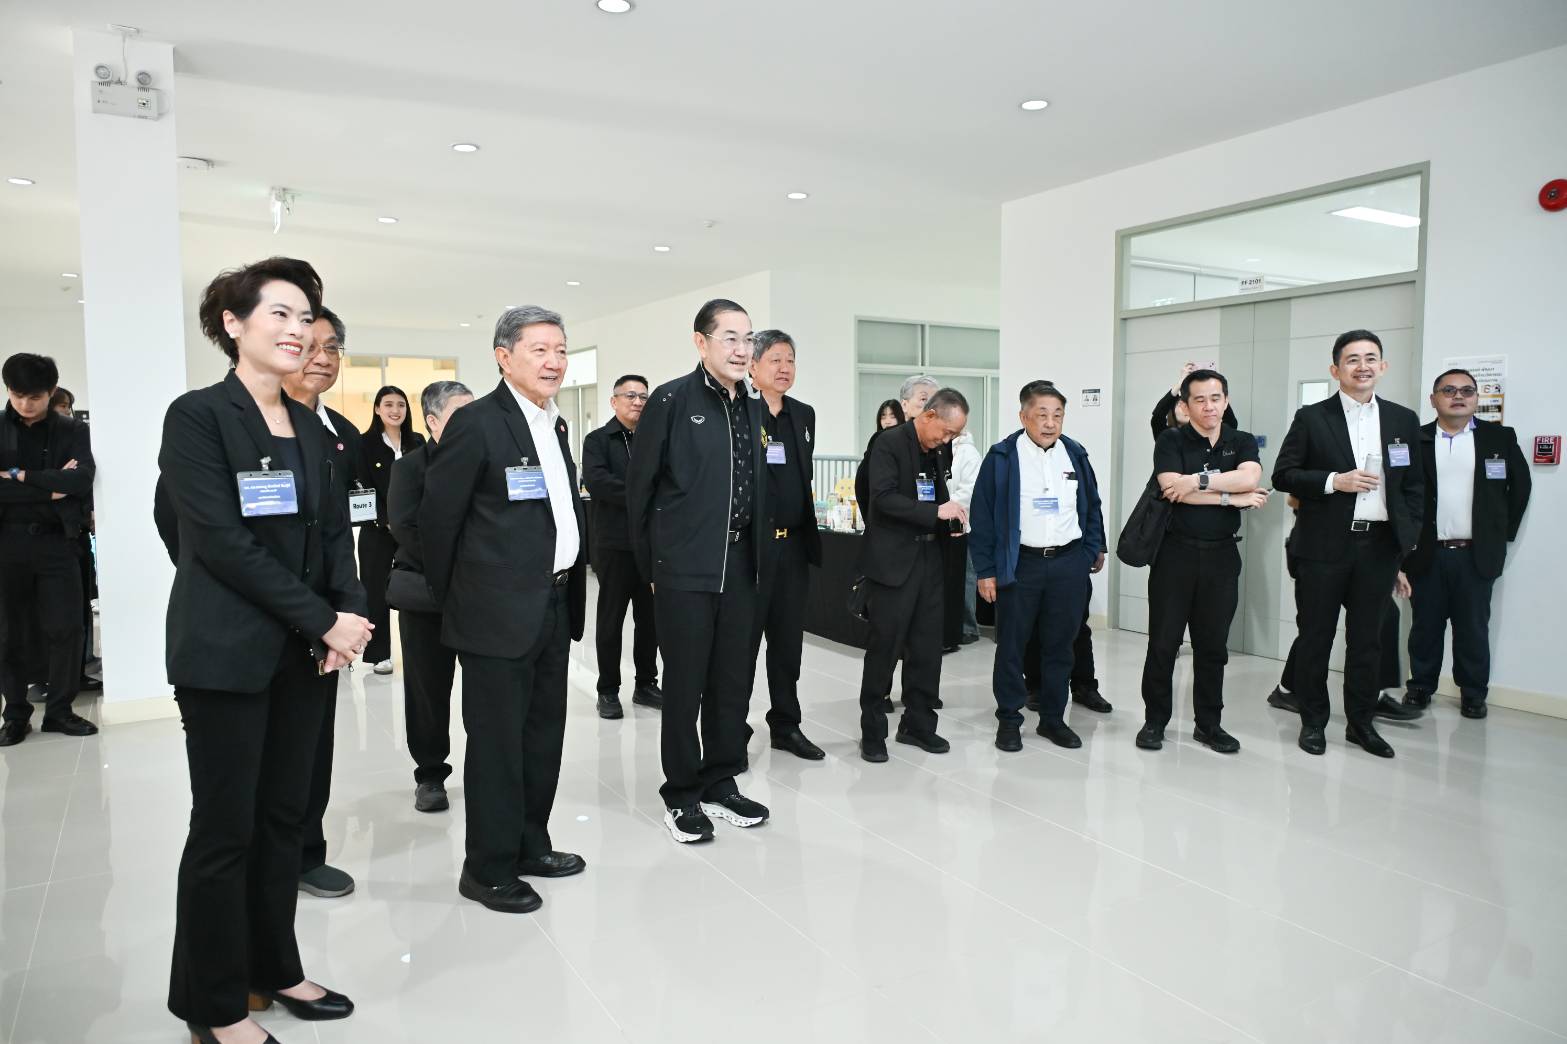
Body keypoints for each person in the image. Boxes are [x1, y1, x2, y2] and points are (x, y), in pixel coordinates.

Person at [160, 257, 371, 1043]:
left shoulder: (312, 425)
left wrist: (350, 612)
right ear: (233, 324)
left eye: (305, 316)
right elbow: (218, 542)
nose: (297, 329)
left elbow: (336, 535)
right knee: (226, 832)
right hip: (226, 655)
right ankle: (213, 1006)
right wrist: (323, 619)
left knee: (285, 821)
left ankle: (274, 967)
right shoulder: (198, 416)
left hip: (303, 656)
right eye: (278, 313)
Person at [420, 305, 587, 912]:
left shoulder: (553, 423)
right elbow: (437, 524)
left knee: (542, 737)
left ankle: (529, 845)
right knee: (496, 746)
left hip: (553, 602)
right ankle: (487, 868)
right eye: (540, 349)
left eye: (561, 350)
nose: (554, 361)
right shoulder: (477, 423)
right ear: (503, 357)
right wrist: (464, 602)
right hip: (494, 615)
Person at [626, 298, 772, 843]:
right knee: (685, 684)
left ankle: (720, 781)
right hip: (684, 567)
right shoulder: (671, 400)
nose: (742, 349)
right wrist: (653, 567)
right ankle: (682, 793)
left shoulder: (751, 404)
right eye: (730, 337)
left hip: (740, 564)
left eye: (748, 338)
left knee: (731, 681)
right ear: (701, 342)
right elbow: (641, 491)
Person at [1273, 329, 1423, 758]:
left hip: (1378, 548)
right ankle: (1313, 722)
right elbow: (1283, 474)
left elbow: (1413, 486)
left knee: (1368, 642)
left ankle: (1361, 724)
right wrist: (1333, 481)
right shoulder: (1312, 417)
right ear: (1335, 369)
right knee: (1316, 638)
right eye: (1352, 359)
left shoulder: (1402, 420)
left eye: (1371, 358)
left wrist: (1403, 546)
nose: (1363, 366)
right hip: (1323, 547)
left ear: (1383, 366)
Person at [1135, 369, 1267, 754]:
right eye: (1200, 399)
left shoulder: (1241, 440)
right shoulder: (1171, 440)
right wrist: (1232, 498)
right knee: (1163, 644)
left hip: (1222, 556)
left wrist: (1198, 482)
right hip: (1174, 556)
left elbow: (1250, 478)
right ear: (1186, 405)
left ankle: (1209, 725)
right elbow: (1172, 491)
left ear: (1226, 401)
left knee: (1213, 648)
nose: (1209, 406)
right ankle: (1155, 721)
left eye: (1215, 398)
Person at [971, 381, 1106, 752]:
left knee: (1061, 646)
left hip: (1068, 564)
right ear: (1023, 416)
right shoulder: (1002, 457)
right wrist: (986, 570)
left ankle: (1052, 719)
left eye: (1057, 415)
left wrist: (1091, 549)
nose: (1050, 423)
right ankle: (1009, 720)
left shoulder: (1074, 453)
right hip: (1022, 565)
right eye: (1042, 414)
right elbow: (982, 517)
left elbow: (1091, 504)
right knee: (1012, 646)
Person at [279, 307, 363, 899]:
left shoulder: (341, 435)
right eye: (310, 345)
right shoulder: (227, 423)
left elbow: (340, 531)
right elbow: (180, 525)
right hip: (258, 615)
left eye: (332, 347)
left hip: (323, 623)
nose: (322, 358)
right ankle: (267, 862)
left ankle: (306, 852)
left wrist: (348, 614)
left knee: (313, 745)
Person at [1399, 368, 1532, 719]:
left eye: (1466, 391)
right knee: (1425, 627)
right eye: (1448, 390)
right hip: (1426, 554)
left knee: (1472, 629)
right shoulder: (1416, 439)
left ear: (1476, 398)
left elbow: (1520, 488)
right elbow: (1400, 493)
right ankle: (1420, 687)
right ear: (1433, 399)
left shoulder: (1498, 438)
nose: (1458, 396)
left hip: (1475, 555)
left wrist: (1501, 533)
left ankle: (1473, 694)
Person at [854, 387, 970, 762]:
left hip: (930, 559)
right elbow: (882, 498)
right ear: (930, 415)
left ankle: (918, 725)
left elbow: (935, 496)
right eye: (947, 432)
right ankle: (873, 732)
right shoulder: (888, 443)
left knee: (926, 649)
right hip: (893, 562)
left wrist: (949, 518)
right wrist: (935, 513)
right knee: (884, 649)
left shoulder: (935, 450)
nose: (947, 440)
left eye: (954, 435)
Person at [0, 354, 98, 744]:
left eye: (35, 397)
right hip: (6, 543)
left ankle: (59, 711)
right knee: (9, 631)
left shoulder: (72, 430)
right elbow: (60, 485)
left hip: (58, 541)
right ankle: (15, 714)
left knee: (66, 628)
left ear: (52, 391)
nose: (26, 404)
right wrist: (49, 487)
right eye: (18, 395)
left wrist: (19, 478)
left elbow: (81, 480)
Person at [387, 380, 473, 812]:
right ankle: (430, 774)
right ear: (433, 421)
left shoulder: (484, 462)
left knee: (486, 689)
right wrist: (460, 567)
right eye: (461, 413)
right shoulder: (410, 469)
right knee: (427, 690)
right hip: (428, 596)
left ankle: (486, 770)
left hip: (480, 597)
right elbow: (406, 528)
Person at [748, 330, 826, 761]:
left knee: (788, 644)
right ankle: (732, 728)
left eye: (790, 360)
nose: (784, 368)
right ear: (753, 366)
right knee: (742, 644)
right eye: (775, 359)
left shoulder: (804, 414)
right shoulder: (741, 411)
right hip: (752, 549)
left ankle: (786, 725)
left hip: (793, 547)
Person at [580, 374, 661, 720]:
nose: (638, 402)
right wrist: (643, 493)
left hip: (651, 545)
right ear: (614, 401)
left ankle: (646, 684)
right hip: (614, 545)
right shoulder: (598, 440)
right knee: (611, 620)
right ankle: (608, 689)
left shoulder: (655, 439)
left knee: (650, 620)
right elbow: (598, 482)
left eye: (643, 396)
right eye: (630, 395)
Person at [357, 385, 423, 675]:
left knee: (415, 590)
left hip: (413, 531)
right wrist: (387, 519)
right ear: (377, 409)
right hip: (378, 531)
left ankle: (419, 650)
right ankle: (379, 653)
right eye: (388, 404)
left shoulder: (417, 441)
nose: (395, 410)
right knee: (376, 592)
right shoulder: (364, 443)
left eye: (401, 405)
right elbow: (361, 486)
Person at [948, 428, 983, 645]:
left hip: (963, 523)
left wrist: (945, 504)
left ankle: (969, 627)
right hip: (941, 521)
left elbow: (969, 492)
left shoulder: (969, 453)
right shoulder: (939, 449)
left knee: (967, 576)